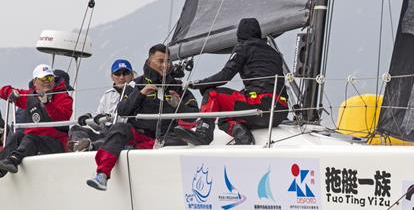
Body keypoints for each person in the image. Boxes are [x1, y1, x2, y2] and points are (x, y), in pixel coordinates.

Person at [86, 45, 198, 191]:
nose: (165, 65)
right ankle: (102, 175)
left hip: (168, 139)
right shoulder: (135, 85)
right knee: (120, 128)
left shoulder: (178, 87)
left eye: (168, 61)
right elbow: (123, 110)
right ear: (149, 61)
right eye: (160, 61)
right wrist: (141, 94)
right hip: (140, 136)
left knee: (183, 138)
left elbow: (194, 116)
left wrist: (179, 105)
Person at [175, 17, 289, 146]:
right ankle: (243, 136)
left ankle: (204, 133)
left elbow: (225, 76)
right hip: (279, 112)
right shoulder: (275, 53)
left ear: (239, 35)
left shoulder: (243, 48)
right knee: (225, 117)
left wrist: (199, 84)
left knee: (212, 94)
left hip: (260, 106)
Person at [0, 64, 73, 186]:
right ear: (35, 82)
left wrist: (47, 103)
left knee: (31, 137)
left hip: (57, 142)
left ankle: (13, 161)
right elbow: (2, 91)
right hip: (37, 140)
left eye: (50, 78)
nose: (47, 82)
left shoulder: (63, 96)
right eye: (43, 79)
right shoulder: (30, 96)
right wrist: (11, 92)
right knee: (17, 136)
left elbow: (62, 117)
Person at [68, 59, 135, 151]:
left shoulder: (137, 92)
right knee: (75, 128)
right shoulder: (107, 94)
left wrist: (107, 117)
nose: (121, 77)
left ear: (132, 75)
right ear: (112, 76)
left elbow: (132, 119)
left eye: (125, 73)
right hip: (105, 131)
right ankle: (79, 145)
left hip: (123, 133)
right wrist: (88, 118)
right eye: (118, 74)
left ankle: (89, 147)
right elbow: (98, 121)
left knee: (106, 141)